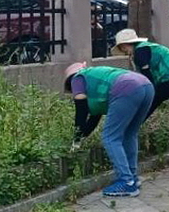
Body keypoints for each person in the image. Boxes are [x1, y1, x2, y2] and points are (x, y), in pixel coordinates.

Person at [64, 62, 155, 197]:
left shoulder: (77, 79)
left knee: (110, 137)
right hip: (145, 85)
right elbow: (93, 120)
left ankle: (126, 181)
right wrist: (81, 138)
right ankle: (133, 179)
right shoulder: (97, 81)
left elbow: (81, 112)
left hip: (127, 88)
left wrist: (75, 141)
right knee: (129, 133)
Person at [111, 28, 169, 166]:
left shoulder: (139, 52)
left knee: (143, 110)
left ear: (125, 45)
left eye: (123, 48)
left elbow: (146, 77)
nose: (124, 52)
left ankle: (126, 135)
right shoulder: (149, 47)